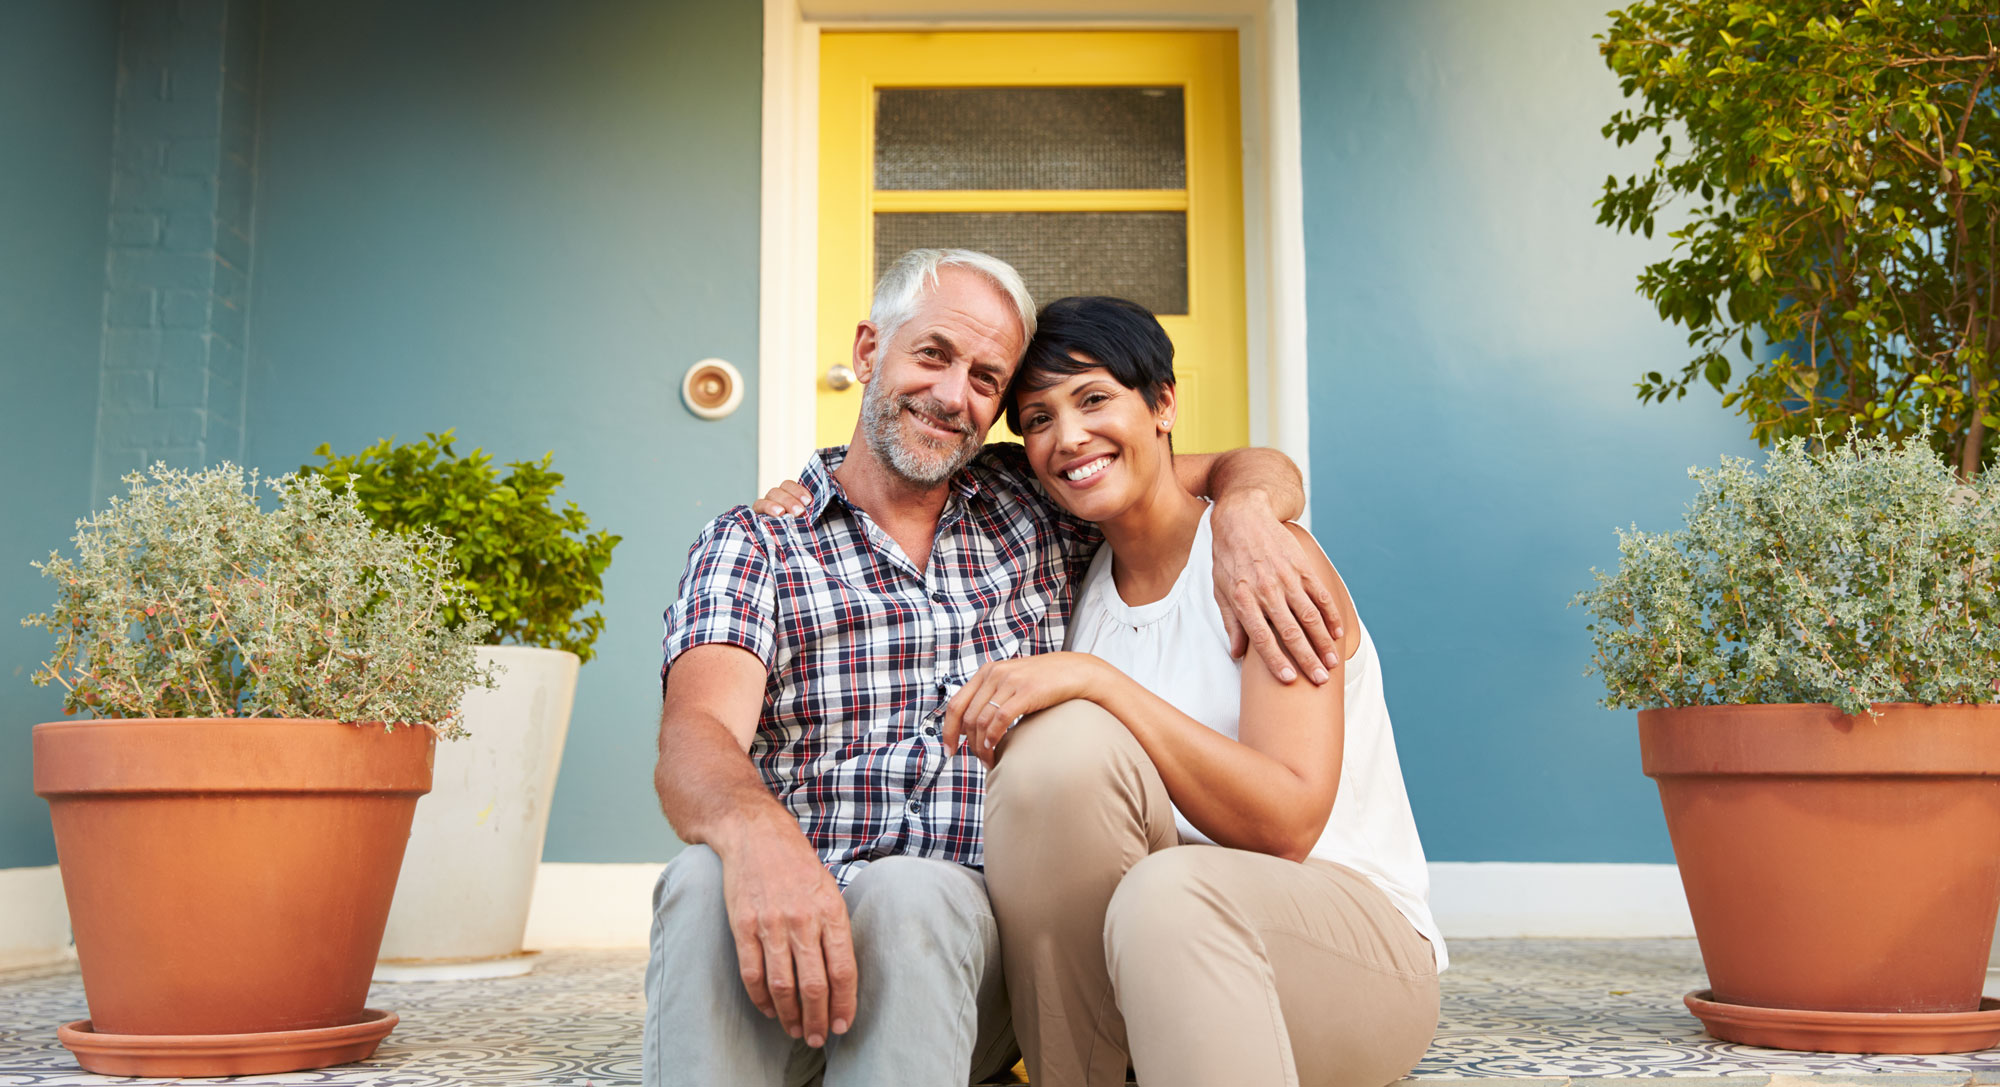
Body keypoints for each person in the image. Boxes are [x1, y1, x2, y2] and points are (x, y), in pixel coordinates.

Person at [649, 250, 1346, 1087]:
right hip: (791, 923)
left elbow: (1196, 470)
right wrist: (760, 840)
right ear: (870, 353)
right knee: (698, 875)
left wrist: (1246, 510)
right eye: (933, 355)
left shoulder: (1035, 502)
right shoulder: (756, 543)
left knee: (910, 895)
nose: (953, 395)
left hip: (964, 947)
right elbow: (695, 736)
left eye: (986, 378)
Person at [942, 296, 1445, 1087]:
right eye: (1037, 419)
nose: (1068, 437)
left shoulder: (1265, 564)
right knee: (1057, 756)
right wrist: (796, 499)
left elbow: (1287, 820)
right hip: (1154, 956)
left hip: (1347, 951)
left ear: (1164, 404)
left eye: (1095, 398)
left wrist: (1102, 682)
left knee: (1167, 891)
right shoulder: (1073, 579)